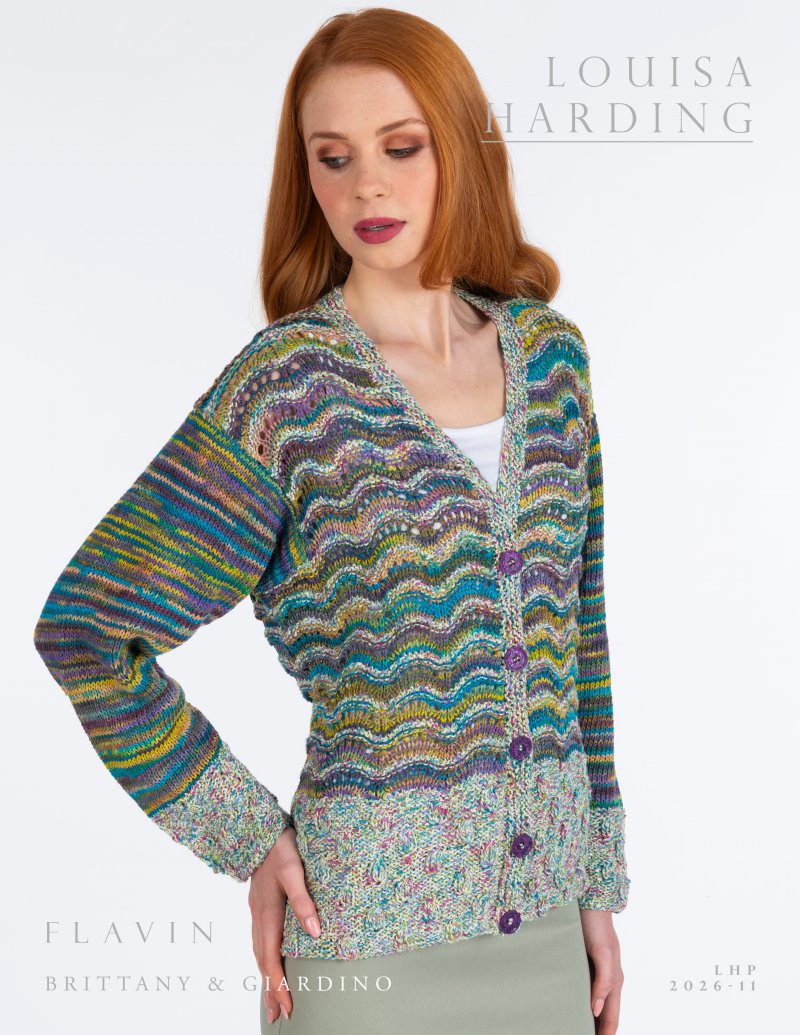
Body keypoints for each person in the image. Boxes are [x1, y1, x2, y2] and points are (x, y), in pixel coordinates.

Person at [33, 8, 630, 1034]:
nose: (366, 189)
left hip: (544, 938)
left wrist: (595, 884)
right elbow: (86, 628)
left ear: (462, 149)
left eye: (402, 148)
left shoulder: (552, 359)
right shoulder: (289, 392)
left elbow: (577, 638)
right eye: (333, 157)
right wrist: (246, 835)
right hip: (358, 947)